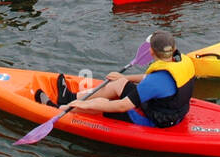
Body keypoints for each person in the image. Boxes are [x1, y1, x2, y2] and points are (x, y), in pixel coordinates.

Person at [35, 30, 194, 129]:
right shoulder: (181, 61)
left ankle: (60, 109)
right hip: (169, 107)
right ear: (173, 49)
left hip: (158, 119)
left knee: (105, 105)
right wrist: (125, 78)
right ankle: (70, 97)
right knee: (118, 83)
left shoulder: (155, 82)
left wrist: (85, 105)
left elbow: (121, 106)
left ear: (151, 52)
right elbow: (149, 78)